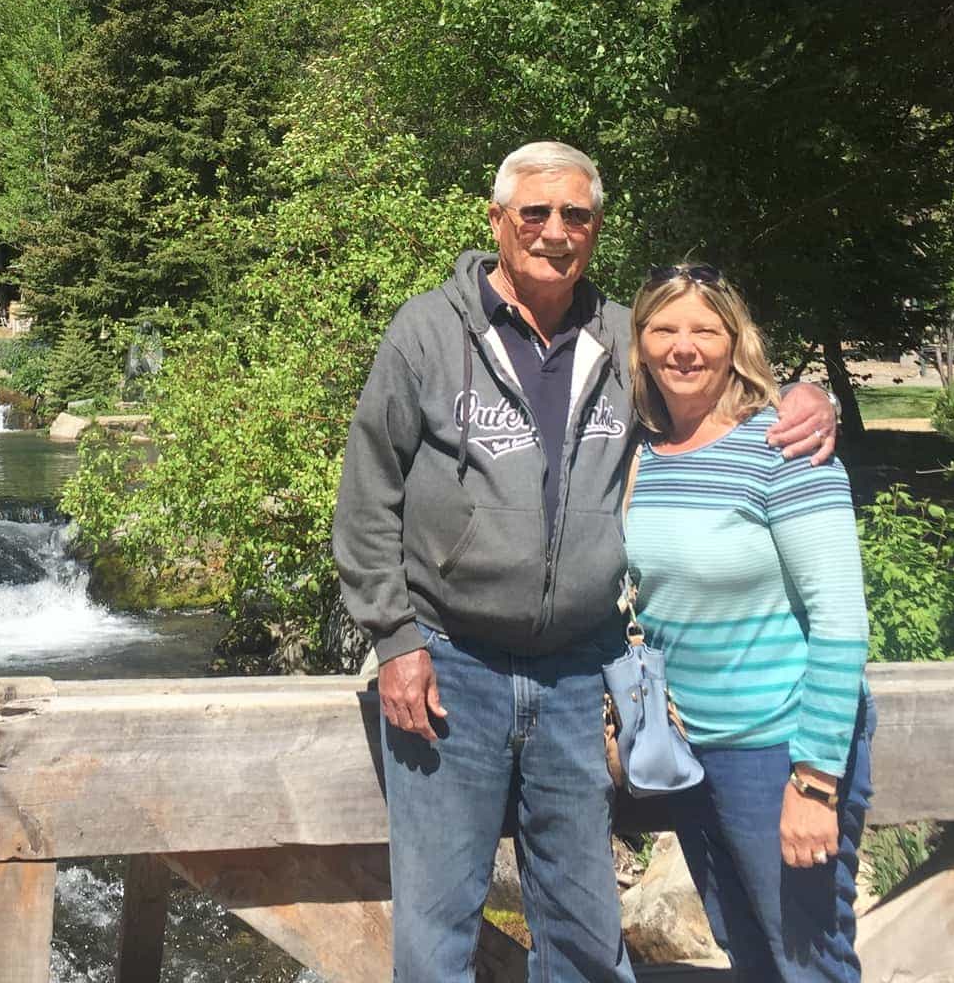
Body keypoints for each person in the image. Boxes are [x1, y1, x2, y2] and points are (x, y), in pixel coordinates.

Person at [332, 142, 839, 983]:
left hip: (580, 673)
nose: (554, 231)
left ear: (596, 228)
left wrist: (799, 398)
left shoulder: (619, 337)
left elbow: (706, 378)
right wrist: (396, 639)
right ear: (498, 220)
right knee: (435, 928)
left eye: (576, 215)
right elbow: (367, 495)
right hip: (449, 669)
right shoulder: (426, 331)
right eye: (535, 212)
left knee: (582, 929)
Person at [624, 264, 872, 983]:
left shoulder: (785, 448)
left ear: (736, 342)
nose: (684, 347)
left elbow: (840, 620)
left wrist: (816, 782)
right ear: (639, 344)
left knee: (811, 965)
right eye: (663, 329)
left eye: (705, 330)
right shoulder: (642, 456)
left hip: (777, 755)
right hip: (684, 754)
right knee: (752, 959)